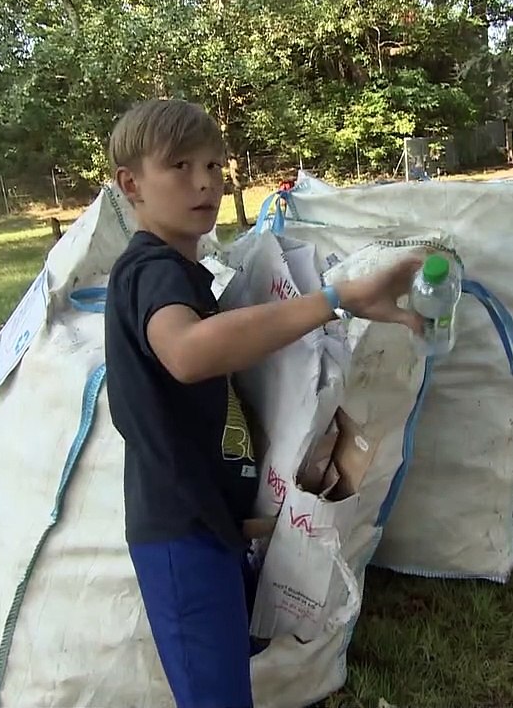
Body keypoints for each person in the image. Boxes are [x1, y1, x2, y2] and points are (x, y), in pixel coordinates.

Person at [102, 98, 424, 708]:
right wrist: (335, 300)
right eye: (179, 166)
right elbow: (188, 353)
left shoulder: (188, 274)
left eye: (213, 165)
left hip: (209, 525)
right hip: (181, 535)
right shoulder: (151, 271)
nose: (205, 182)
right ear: (131, 184)